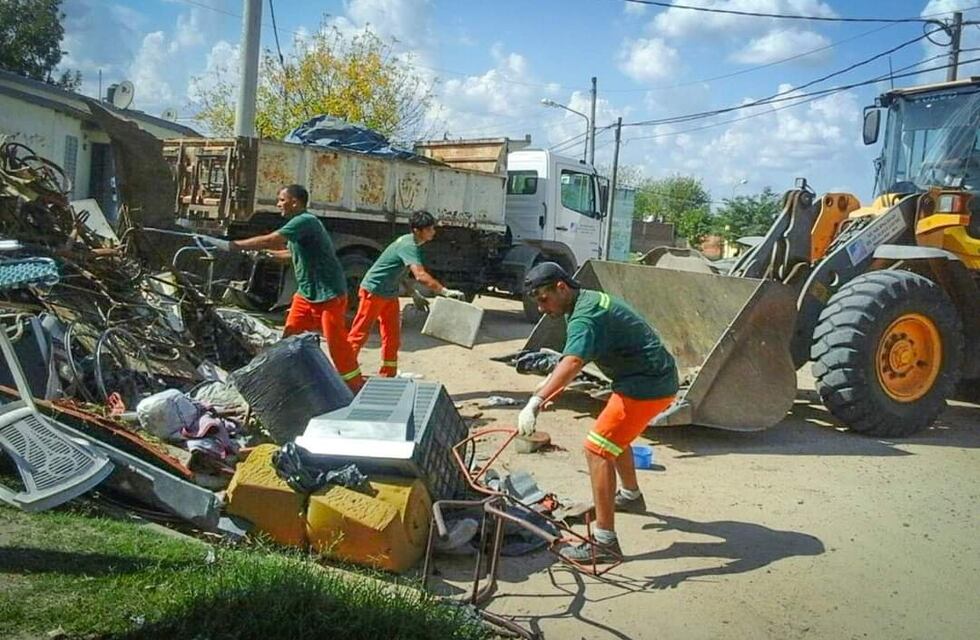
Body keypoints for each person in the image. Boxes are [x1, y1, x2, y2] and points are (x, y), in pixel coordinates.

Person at [516, 262, 678, 563]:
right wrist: (552, 386)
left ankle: (604, 543)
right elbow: (573, 358)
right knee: (615, 437)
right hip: (646, 378)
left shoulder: (585, 316)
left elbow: (574, 363)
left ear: (561, 288)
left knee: (597, 448)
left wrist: (536, 400)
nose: (540, 307)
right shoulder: (585, 300)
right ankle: (630, 496)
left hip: (647, 386)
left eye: (542, 298)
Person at [196, 184, 364, 391]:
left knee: (336, 343)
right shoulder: (299, 224)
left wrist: (234, 246)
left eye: (282, 200)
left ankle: (355, 385)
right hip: (306, 293)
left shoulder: (305, 221)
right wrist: (268, 256)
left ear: (295, 202)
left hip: (328, 292)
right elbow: (292, 255)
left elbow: (272, 239)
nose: (278, 204)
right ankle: (290, 380)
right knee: (289, 337)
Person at [347, 210, 465, 377]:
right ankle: (344, 373)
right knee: (359, 333)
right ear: (418, 230)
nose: (433, 232)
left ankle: (388, 374)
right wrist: (444, 291)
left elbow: (397, 271)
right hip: (374, 291)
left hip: (389, 293)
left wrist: (413, 292)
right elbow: (420, 275)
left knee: (392, 335)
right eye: (430, 229)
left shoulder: (410, 243)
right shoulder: (409, 245)